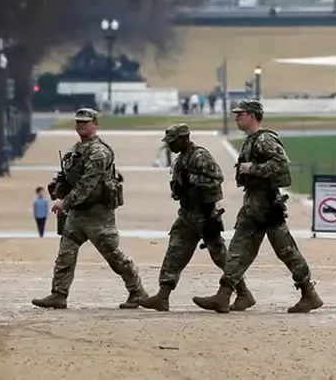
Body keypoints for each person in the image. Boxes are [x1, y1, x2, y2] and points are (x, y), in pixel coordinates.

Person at [192, 100, 322, 314]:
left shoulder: (264, 140)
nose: (236, 118)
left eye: (240, 114)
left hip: (266, 204)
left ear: (252, 116)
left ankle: (308, 293)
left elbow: (281, 166)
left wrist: (252, 168)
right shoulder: (251, 141)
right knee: (240, 247)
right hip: (255, 204)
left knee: (285, 250)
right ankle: (226, 294)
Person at [31, 108, 148, 310]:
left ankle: (137, 291)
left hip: (98, 214)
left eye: (85, 122)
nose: (81, 125)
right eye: (78, 122)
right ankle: (59, 294)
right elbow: (69, 177)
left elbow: (88, 184)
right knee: (65, 253)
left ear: (95, 124)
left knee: (113, 255)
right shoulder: (76, 150)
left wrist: (64, 202)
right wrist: (58, 187)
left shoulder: (98, 152)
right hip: (77, 213)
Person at [138, 124, 254, 312]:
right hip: (187, 214)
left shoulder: (200, 156)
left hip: (204, 214)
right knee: (175, 251)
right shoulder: (182, 158)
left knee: (220, 255)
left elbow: (217, 178)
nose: (170, 146)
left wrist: (191, 179)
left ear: (184, 139)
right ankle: (163, 295)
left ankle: (243, 293)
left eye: (173, 142)